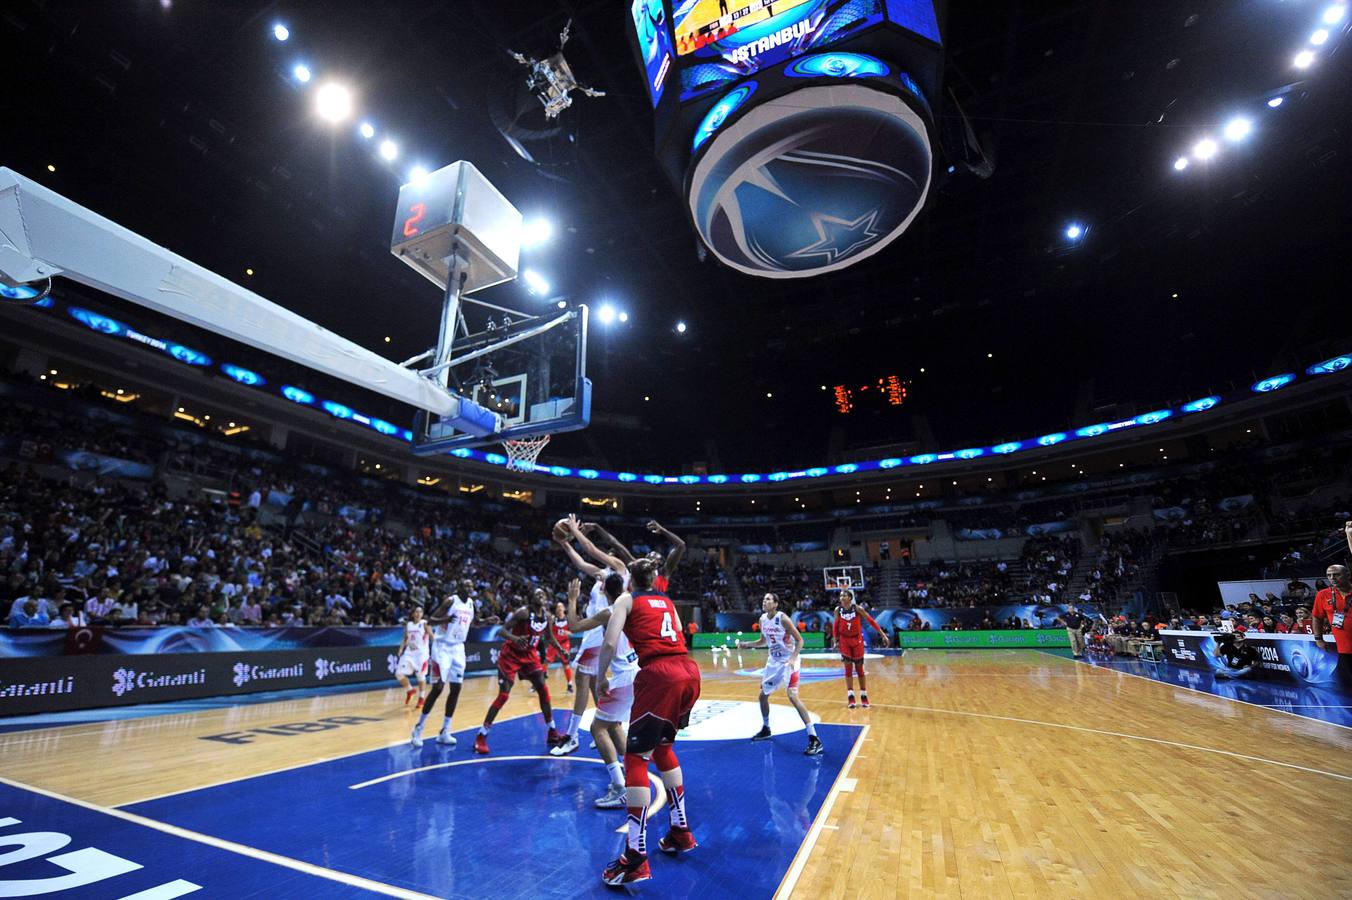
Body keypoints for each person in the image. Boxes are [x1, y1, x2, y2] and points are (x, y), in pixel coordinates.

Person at [597, 558, 701, 887]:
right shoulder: (667, 600)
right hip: (688, 671)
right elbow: (678, 635)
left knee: (635, 758)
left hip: (659, 676)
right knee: (664, 748)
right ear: (655, 578)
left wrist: (601, 677)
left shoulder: (625, 600)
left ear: (631, 581)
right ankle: (681, 831)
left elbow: (611, 642)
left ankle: (635, 857)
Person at [559, 574, 639, 809]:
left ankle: (619, 786)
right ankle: (633, 774)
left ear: (603, 590)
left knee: (597, 727)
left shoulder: (610, 612)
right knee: (613, 725)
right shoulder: (633, 608)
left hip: (623, 676)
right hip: (637, 672)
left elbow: (574, 626)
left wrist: (572, 600)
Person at [552, 515, 629, 757]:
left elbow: (591, 549)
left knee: (582, 679)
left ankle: (572, 736)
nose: (602, 558)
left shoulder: (620, 569)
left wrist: (574, 531)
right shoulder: (603, 575)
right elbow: (582, 564)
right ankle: (603, 730)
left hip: (598, 630)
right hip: (596, 629)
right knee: (594, 682)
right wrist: (565, 543)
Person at [473, 587, 568, 754]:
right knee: (504, 695)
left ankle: (552, 731)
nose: (540, 595)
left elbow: (549, 638)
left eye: (543, 593)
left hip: (530, 656)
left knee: (543, 689)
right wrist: (515, 638)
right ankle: (481, 735)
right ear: (531, 598)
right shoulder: (523, 613)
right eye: (537, 593)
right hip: (510, 655)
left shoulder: (547, 617)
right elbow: (502, 630)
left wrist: (561, 649)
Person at [737, 593, 822, 756]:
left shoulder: (783, 619)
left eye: (768, 599)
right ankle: (766, 728)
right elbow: (763, 641)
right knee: (762, 696)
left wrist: (792, 658)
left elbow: (800, 640)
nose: (764, 601)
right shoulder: (762, 619)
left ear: (776, 604)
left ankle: (814, 739)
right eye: (763, 599)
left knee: (792, 695)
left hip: (789, 661)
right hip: (774, 663)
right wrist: (747, 644)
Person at [411, 584, 475, 748]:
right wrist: (445, 620)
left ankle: (445, 731)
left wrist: (486, 621)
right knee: (438, 688)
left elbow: (475, 622)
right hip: (442, 647)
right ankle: (418, 729)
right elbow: (430, 621)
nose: (469, 588)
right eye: (466, 586)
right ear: (459, 589)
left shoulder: (470, 604)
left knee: (456, 689)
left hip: (458, 648)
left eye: (471, 586)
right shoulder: (450, 601)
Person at [832, 589, 889, 708]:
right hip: (844, 640)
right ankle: (850, 696)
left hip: (857, 640)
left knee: (859, 670)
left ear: (850, 598)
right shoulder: (838, 610)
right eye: (841, 595)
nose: (842, 597)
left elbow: (871, 621)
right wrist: (835, 640)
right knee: (848, 669)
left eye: (844, 595)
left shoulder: (857, 609)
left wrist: (883, 634)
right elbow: (835, 626)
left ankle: (863, 694)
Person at [1312, 560, 1352, 688]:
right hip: (1345, 647)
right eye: (1329, 575)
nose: (1332, 578)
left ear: (1348, 575)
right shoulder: (1322, 595)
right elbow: (1317, 617)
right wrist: (1318, 638)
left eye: (1336, 574)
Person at [395, 605, 431, 707]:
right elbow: (405, 638)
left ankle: (421, 698)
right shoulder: (409, 624)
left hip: (421, 655)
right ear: (413, 613)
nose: (418, 614)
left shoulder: (425, 624)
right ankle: (410, 690)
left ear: (422, 614)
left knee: (420, 676)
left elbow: (432, 636)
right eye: (416, 611)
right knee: (399, 673)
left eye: (420, 612)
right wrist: (401, 648)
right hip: (409, 653)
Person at [546, 600, 574, 694]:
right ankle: (538, 683)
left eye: (561, 606)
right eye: (558, 607)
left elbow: (573, 631)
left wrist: (569, 633)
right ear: (556, 610)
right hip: (554, 643)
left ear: (564, 608)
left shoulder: (569, 619)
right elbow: (549, 632)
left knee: (565, 664)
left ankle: (570, 685)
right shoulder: (553, 619)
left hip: (564, 643)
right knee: (546, 662)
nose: (560, 608)